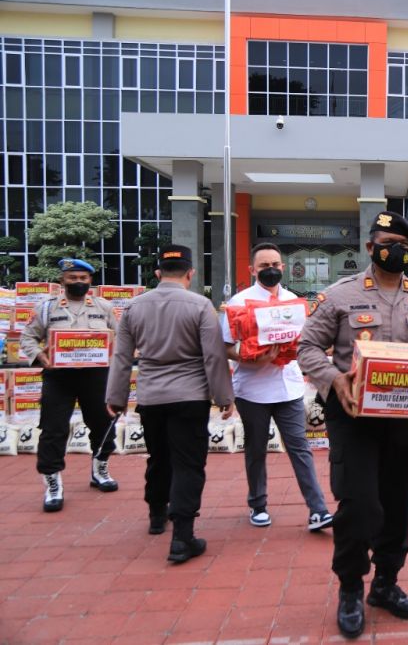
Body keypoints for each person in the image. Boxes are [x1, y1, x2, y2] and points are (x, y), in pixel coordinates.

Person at [298, 210, 408, 639]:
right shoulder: (339, 296)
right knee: (360, 504)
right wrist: (335, 380)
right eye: (387, 244)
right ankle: (351, 586)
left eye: (402, 246)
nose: (394, 251)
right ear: (370, 247)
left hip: (403, 419)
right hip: (353, 417)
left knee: (398, 502)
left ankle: (386, 582)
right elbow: (307, 347)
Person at [105, 245, 235, 564]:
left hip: (151, 397)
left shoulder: (134, 307)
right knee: (188, 464)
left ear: (158, 273)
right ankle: (182, 537)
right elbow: (213, 357)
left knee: (159, 457)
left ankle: (155, 514)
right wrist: (224, 397)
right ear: (191, 273)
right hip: (190, 397)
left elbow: (122, 356)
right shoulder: (200, 306)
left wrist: (116, 397)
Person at [221, 242, 333, 532]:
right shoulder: (238, 303)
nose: (270, 270)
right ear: (252, 269)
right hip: (252, 390)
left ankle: (318, 509)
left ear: (283, 267)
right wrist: (250, 356)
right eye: (264, 266)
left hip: (289, 388)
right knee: (256, 450)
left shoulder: (293, 301)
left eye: (274, 265)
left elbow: (305, 340)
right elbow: (225, 347)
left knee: (300, 449)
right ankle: (258, 505)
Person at [20, 258, 119, 512]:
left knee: (103, 423)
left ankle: (100, 468)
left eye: (83, 278)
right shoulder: (46, 308)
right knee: (53, 428)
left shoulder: (104, 307)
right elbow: (28, 337)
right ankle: (52, 481)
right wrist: (40, 356)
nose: (78, 282)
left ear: (90, 281)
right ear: (62, 280)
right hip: (59, 377)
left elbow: (120, 336)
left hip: (96, 376)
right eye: (73, 278)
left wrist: (113, 353)